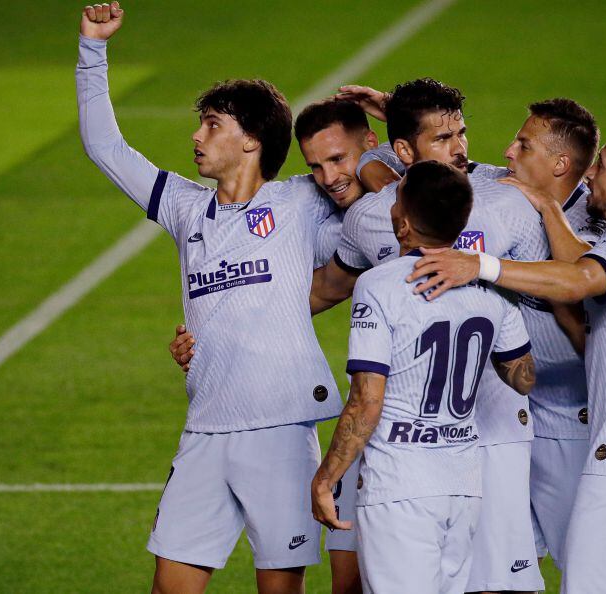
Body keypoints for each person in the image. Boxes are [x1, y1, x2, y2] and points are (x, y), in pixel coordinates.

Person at [77, 4, 341, 593]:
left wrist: (381, 124)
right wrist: (92, 50)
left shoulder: (300, 202)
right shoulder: (186, 206)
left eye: (213, 124)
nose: (196, 136)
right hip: (205, 429)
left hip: (281, 425)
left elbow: (379, 190)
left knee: (278, 589)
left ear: (251, 141)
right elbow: (105, 147)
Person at [407, 120, 606, 593]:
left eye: (602, 165)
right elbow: (584, 258)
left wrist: (481, 265)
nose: (590, 172)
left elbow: (579, 281)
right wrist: (551, 207)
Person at [350, 95, 606, 572]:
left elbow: (577, 291)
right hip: (490, 421)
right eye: (447, 136)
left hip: (569, 416)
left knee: (592, 571)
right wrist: (400, 111)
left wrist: (487, 262)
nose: (506, 151)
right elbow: (378, 163)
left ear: (559, 164)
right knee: (482, 569)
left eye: (523, 145)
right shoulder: (477, 188)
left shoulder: (565, 213)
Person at [319, 78, 550, 593]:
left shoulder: (505, 195)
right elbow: (327, 287)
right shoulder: (370, 215)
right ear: (404, 150)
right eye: (443, 139)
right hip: (444, 454)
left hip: (486, 440)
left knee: (502, 584)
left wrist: (487, 266)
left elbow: (561, 277)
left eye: (462, 134)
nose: (461, 148)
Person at [170, 96, 379, 594]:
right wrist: (220, 328)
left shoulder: (395, 215)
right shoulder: (329, 216)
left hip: (387, 430)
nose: (327, 177)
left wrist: (395, 116)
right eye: (316, 166)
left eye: (337, 160)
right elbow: (315, 287)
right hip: (335, 424)